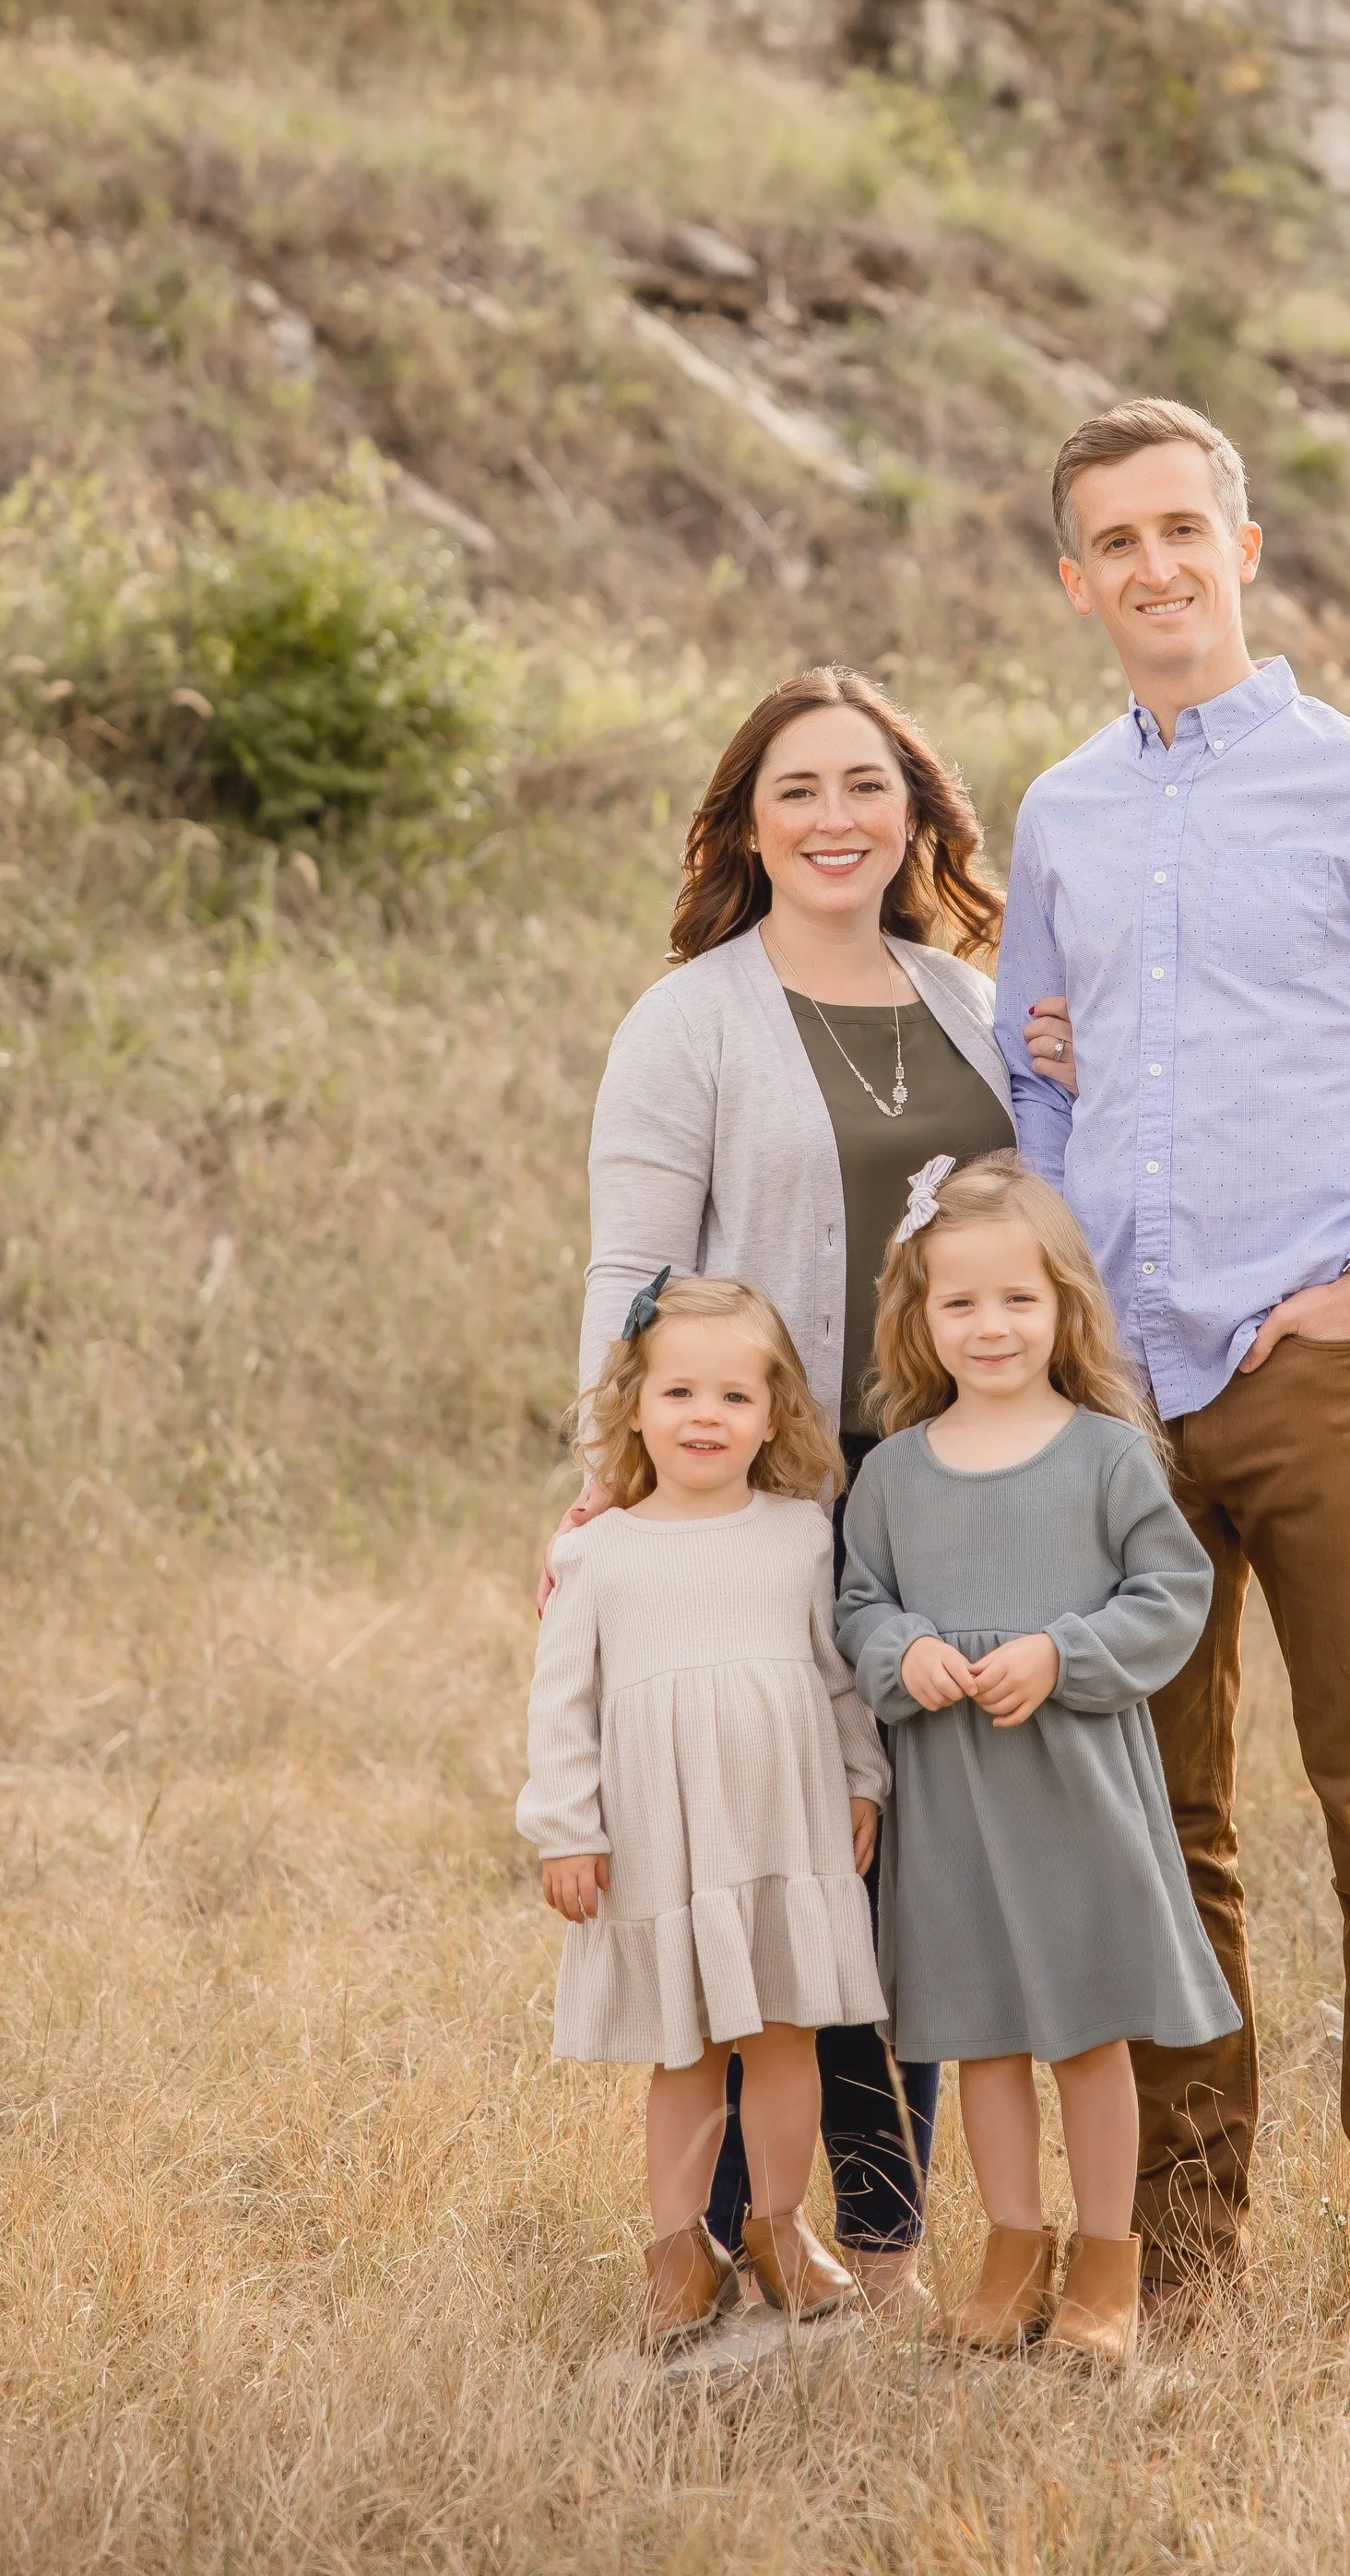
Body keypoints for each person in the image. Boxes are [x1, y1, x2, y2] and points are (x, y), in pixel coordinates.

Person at [995, 397, 1350, 2369]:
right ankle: (1181, 2243)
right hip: (1124, 1402)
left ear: (1241, 548)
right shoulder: (1058, 814)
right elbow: (1032, 1097)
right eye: (1112, 542)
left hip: (1311, 1377)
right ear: (1074, 583)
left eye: (1180, 528)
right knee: (1161, 1831)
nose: (1151, 566)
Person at [554, 666, 1066, 2305]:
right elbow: (630, 1271)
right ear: (749, 823)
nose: (836, 818)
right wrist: (603, 1481)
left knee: (907, 1875)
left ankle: (887, 2234)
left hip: (958, 1496)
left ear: (914, 812)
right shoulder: (689, 1018)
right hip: (766, 1505)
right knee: (778, 1871)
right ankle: (726, 2237)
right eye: (800, 790)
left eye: (867, 786)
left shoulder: (972, 1002)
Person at [835, 1153, 1237, 2369]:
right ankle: (1014, 2249)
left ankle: (1106, 2266)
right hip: (955, 1803)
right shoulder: (895, 1472)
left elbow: (1174, 1592)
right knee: (986, 2036)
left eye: (1018, 1298)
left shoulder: (1106, 1453)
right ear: (918, 1318)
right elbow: (857, 1605)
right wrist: (900, 1651)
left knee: (1085, 2035)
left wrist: (1063, 1653)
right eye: (959, 1303)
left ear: (1065, 1303)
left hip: (1074, 1795)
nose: (991, 1325)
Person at [520, 1271, 891, 2351]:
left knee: (786, 2042)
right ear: (632, 1405)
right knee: (684, 2056)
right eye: (680, 1392)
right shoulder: (597, 1552)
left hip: (782, 1830)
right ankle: (681, 2249)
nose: (705, 1417)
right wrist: (567, 1828)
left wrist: (862, 1781)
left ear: (775, 1413)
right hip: (660, 1843)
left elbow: (834, 1681)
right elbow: (562, 1705)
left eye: (735, 1397)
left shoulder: (795, 1537)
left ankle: (779, 2228)